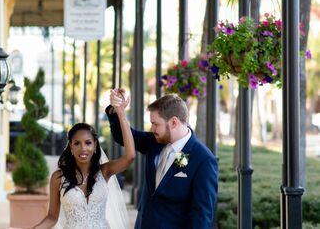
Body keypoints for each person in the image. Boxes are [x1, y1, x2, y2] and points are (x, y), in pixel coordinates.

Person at [106, 89, 218, 229]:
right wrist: (117, 110)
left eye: (155, 124)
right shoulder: (155, 141)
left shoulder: (203, 160)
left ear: (174, 122)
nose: (152, 129)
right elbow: (123, 136)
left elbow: (201, 215)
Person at [30, 91, 135, 229]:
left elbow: (130, 156)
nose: (83, 148)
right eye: (77, 143)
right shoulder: (58, 178)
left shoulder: (105, 171)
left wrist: (121, 113)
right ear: (71, 147)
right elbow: (51, 217)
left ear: (95, 145)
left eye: (88, 143)